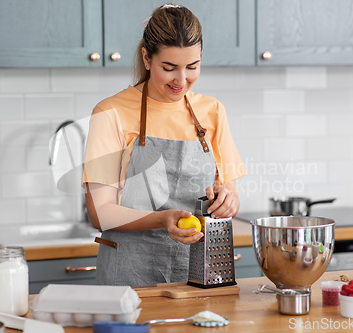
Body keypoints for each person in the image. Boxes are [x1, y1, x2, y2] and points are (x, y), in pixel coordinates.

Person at [82, 3, 247, 287]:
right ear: (147, 58)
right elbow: (100, 212)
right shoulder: (110, 112)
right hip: (129, 277)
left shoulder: (213, 111)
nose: (181, 80)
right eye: (169, 68)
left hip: (199, 275)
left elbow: (230, 194)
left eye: (192, 67)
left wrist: (227, 202)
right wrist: (163, 219)